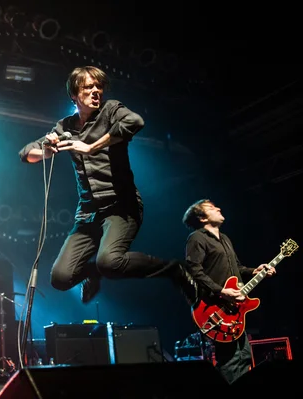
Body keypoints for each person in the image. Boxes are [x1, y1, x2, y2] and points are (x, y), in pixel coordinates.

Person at [18, 65, 198, 304]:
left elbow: (135, 122)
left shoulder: (111, 110)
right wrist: (47, 150)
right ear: (74, 94)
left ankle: (173, 269)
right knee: (60, 279)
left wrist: (91, 147)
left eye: (98, 86)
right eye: (88, 87)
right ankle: (91, 274)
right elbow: (26, 154)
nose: (96, 91)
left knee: (109, 262)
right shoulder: (65, 127)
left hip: (121, 207)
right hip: (87, 214)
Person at [182, 199, 276, 384]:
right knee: (230, 360)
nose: (218, 208)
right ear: (201, 218)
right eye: (211, 208)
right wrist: (221, 291)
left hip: (235, 309)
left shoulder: (225, 239)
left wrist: (255, 271)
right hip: (216, 308)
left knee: (244, 356)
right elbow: (193, 271)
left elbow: (237, 268)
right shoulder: (197, 238)